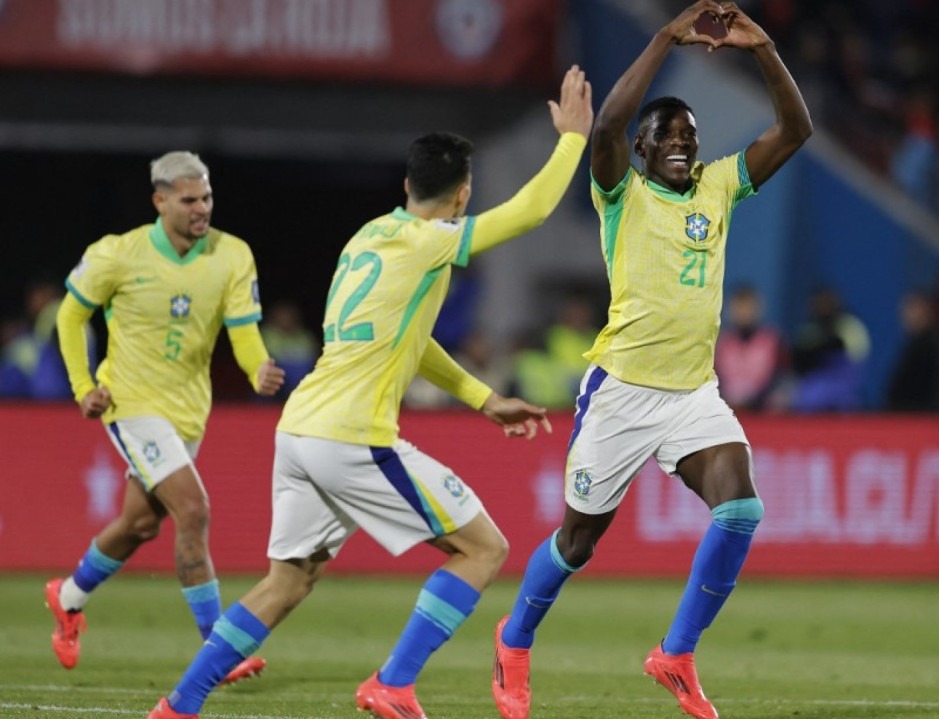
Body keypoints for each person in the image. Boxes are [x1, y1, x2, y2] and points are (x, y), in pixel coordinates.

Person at [144, 64, 593, 719]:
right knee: (484, 548)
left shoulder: (367, 238)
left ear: (408, 184)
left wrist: (481, 397)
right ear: (462, 194)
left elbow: (406, 341)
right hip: (352, 436)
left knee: (287, 580)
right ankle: (394, 681)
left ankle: (181, 703)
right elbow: (531, 210)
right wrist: (573, 139)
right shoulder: (430, 242)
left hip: (299, 430)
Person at [492, 4, 812, 719]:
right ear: (640, 149)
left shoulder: (720, 187)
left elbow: (797, 130)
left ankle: (676, 653)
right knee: (577, 542)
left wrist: (760, 48)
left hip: (692, 393)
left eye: (690, 137)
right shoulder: (620, 192)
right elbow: (604, 127)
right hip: (622, 392)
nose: (680, 144)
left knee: (741, 507)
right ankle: (513, 640)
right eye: (665, 135)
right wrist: (667, 37)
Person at [45, 151, 285, 685]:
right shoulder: (117, 255)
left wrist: (256, 369)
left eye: (207, 198)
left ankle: (67, 597)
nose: (202, 208)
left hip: (188, 412)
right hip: (131, 404)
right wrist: (84, 386)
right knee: (193, 511)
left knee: (140, 523)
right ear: (160, 201)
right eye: (189, 199)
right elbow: (69, 315)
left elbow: (242, 331)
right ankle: (219, 648)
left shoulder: (232, 254)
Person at [714, 284, 788, 411]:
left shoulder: (772, 341)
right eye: (739, 307)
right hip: (727, 410)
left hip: (762, 411)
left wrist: (758, 401)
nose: (744, 312)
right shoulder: (721, 343)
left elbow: (781, 378)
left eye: (748, 307)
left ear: (758, 308)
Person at [885, 290, 939, 412]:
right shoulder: (914, 343)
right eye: (905, 310)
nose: (906, 315)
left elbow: (938, 391)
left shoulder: (931, 346)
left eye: (912, 309)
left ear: (925, 311)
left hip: (921, 420)